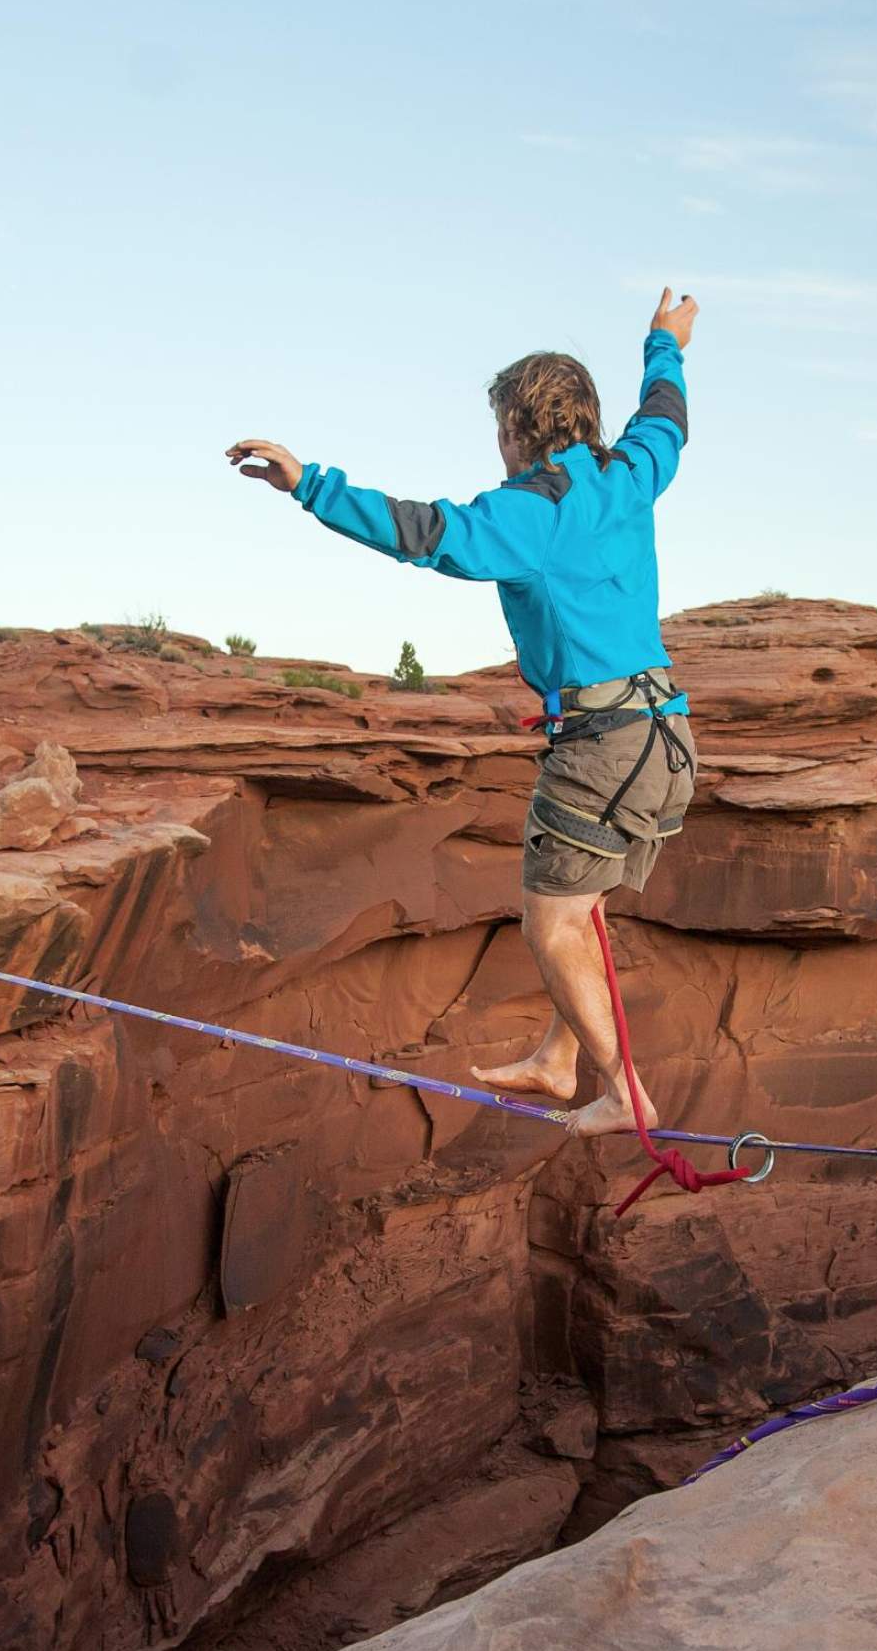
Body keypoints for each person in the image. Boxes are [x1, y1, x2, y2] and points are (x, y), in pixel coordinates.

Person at [227, 289, 699, 1139]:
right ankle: (562, 1058)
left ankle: (624, 1089)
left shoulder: (531, 510)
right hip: (668, 739)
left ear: (519, 431)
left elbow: (423, 531)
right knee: (582, 903)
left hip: (604, 744)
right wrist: (664, 343)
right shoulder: (633, 473)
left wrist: (309, 485)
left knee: (551, 923)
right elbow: (665, 416)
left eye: (500, 432)